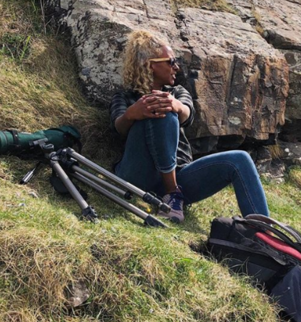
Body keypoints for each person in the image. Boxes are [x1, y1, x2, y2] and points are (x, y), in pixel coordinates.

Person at [109, 30, 269, 223]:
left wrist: (175, 106)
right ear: (150, 65)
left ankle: (263, 233)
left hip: (182, 174)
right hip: (138, 175)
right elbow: (118, 127)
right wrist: (132, 114)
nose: (176, 67)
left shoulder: (177, 92)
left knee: (240, 159)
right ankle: (172, 193)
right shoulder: (125, 97)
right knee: (157, 106)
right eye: (171, 62)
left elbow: (188, 115)